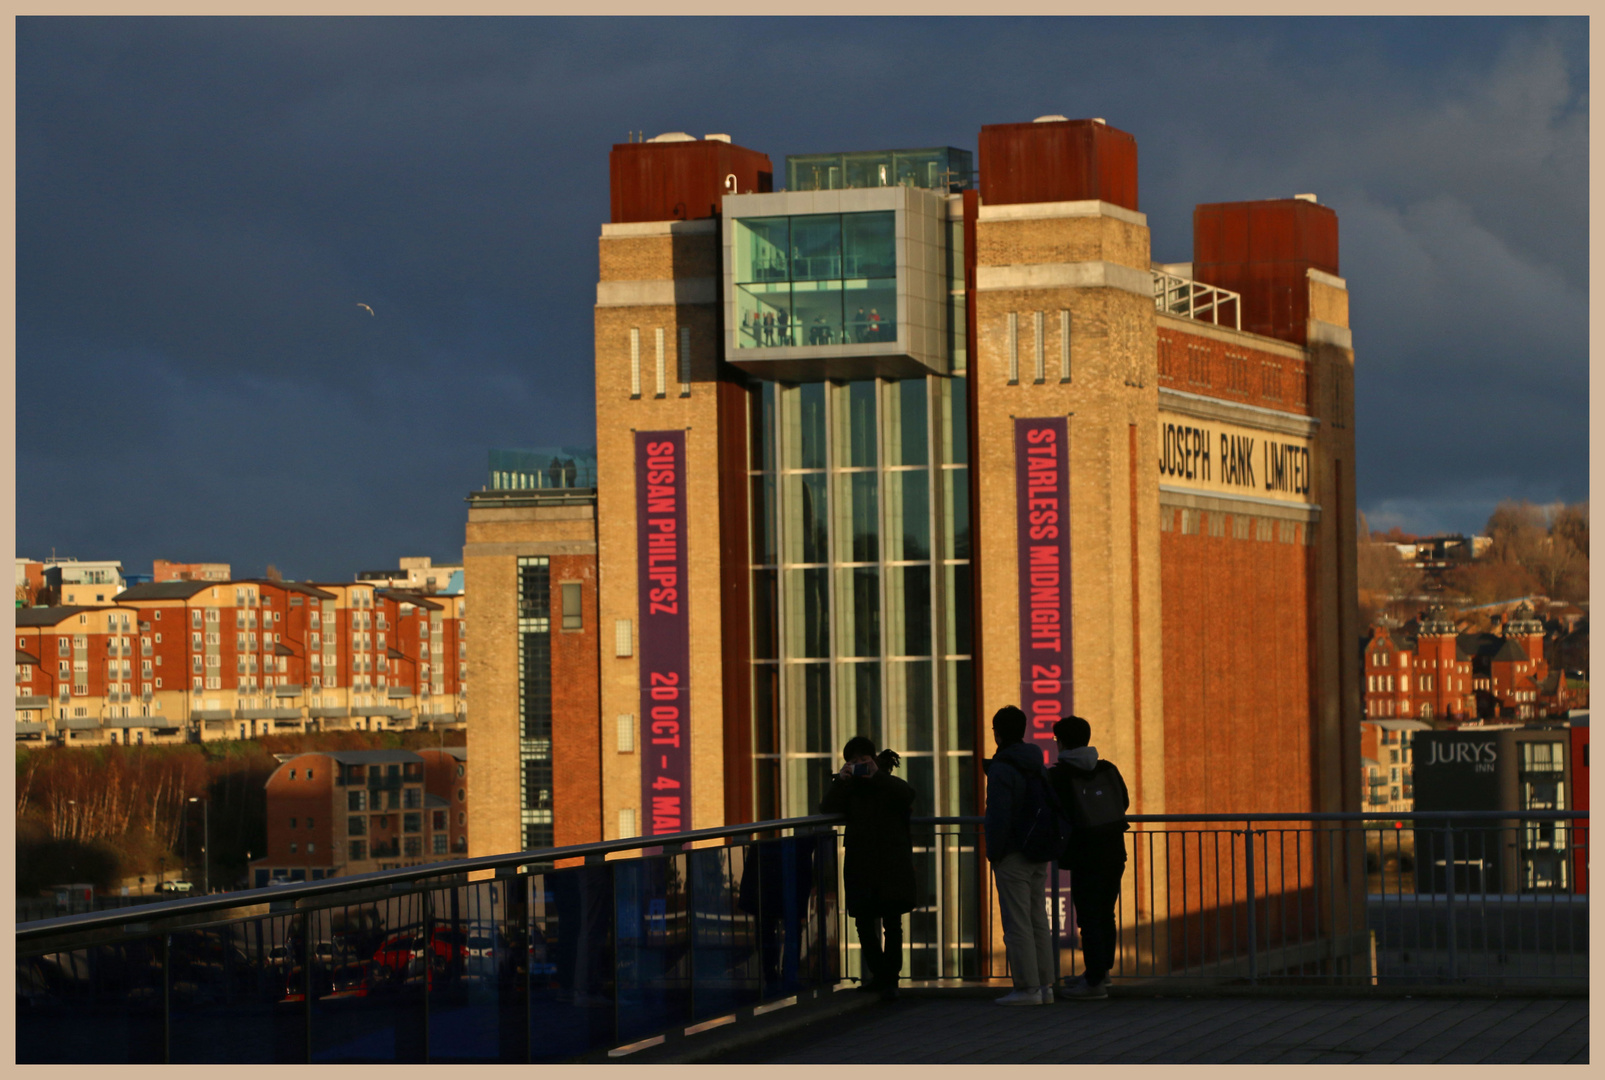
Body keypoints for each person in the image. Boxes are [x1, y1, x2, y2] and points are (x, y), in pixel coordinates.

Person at [819, 735, 916, 1000]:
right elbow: (826, 808)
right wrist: (842, 780)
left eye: (864, 760)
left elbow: (907, 795)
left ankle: (890, 979)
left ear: (874, 759)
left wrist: (877, 776)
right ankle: (880, 976)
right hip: (861, 862)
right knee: (863, 921)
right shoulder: (849, 787)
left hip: (890, 861)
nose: (860, 765)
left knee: (891, 921)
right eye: (854, 761)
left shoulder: (888, 782)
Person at [1047, 715, 1130, 1000]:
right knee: (1106, 914)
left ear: (1062, 742)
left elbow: (1052, 811)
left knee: (1089, 917)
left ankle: (1093, 983)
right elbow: (1125, 801)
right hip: (1114, 850)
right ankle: (1102, 973)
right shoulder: (1107, 768)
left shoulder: (1058, 775)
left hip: (1084, 853)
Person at [984, 705, 1057, 1005]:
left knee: (1017, 923)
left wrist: (994, 853)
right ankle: (1045, 986)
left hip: (1013, 852)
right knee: (1038, 918)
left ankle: (1027, 989)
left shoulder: (1002, 767)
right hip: (1038, 851)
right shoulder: (1036, 763)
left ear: (997, 733)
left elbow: (998, 815)